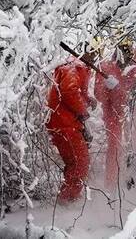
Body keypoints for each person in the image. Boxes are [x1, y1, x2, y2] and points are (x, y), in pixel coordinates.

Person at [94, 34, 136, 191]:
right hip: (113, 113)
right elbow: (98, 96)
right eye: (122, 50)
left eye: (128, 50)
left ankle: (135, 179)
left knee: (135, 143)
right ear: (117, 50)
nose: (126, 55)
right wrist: (105, 86)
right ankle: (111, 185)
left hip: (133, 111)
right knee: (115, 146)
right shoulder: (106, 66)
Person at [46, 44, 99, 202]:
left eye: (97, 53)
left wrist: (88, 100)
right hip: (64, 123)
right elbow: (69, 91)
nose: (95, 57)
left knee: (74, 162)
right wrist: (83, 111)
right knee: (80, 162)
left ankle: (66, 198)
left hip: (65, 122)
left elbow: (75, 91)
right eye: (93, 52)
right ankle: (67, 201)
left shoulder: (77, 67)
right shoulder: (74, 67)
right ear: (85, 50)